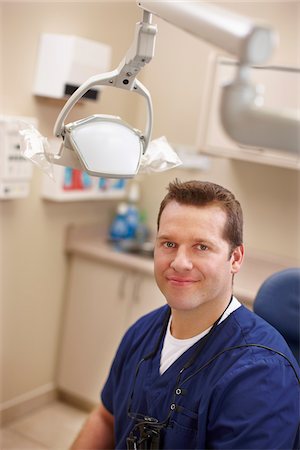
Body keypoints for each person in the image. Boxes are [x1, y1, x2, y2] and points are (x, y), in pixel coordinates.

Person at [71, 179, 299, 450]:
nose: (180, 262)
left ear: (235, 258)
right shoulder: (141, 333)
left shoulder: (262, 376)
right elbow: (106, 419)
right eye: (168, 244)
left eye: (201, 247)